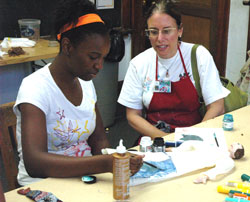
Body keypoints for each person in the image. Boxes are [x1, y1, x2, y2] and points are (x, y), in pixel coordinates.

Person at [13, 0, 143, 186]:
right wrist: (104, 163)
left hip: (84, 180)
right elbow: (35, 164)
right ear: (67, 47)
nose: (99, 66)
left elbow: (99, 140)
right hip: (42, 186)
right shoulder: (35, 87)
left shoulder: (86, 84)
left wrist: (119, 160)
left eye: (103, 58)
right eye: (93, 57)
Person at [118, 0, 230, 140]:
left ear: (180, 30)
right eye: (153, 32)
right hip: (155, 137)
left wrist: (195, 138)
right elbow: (132, 116)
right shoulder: (139, 63)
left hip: (196, 134)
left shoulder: (198, 55)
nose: (160, 38)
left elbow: (217, 106)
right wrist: (165, 139)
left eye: (166, 31)